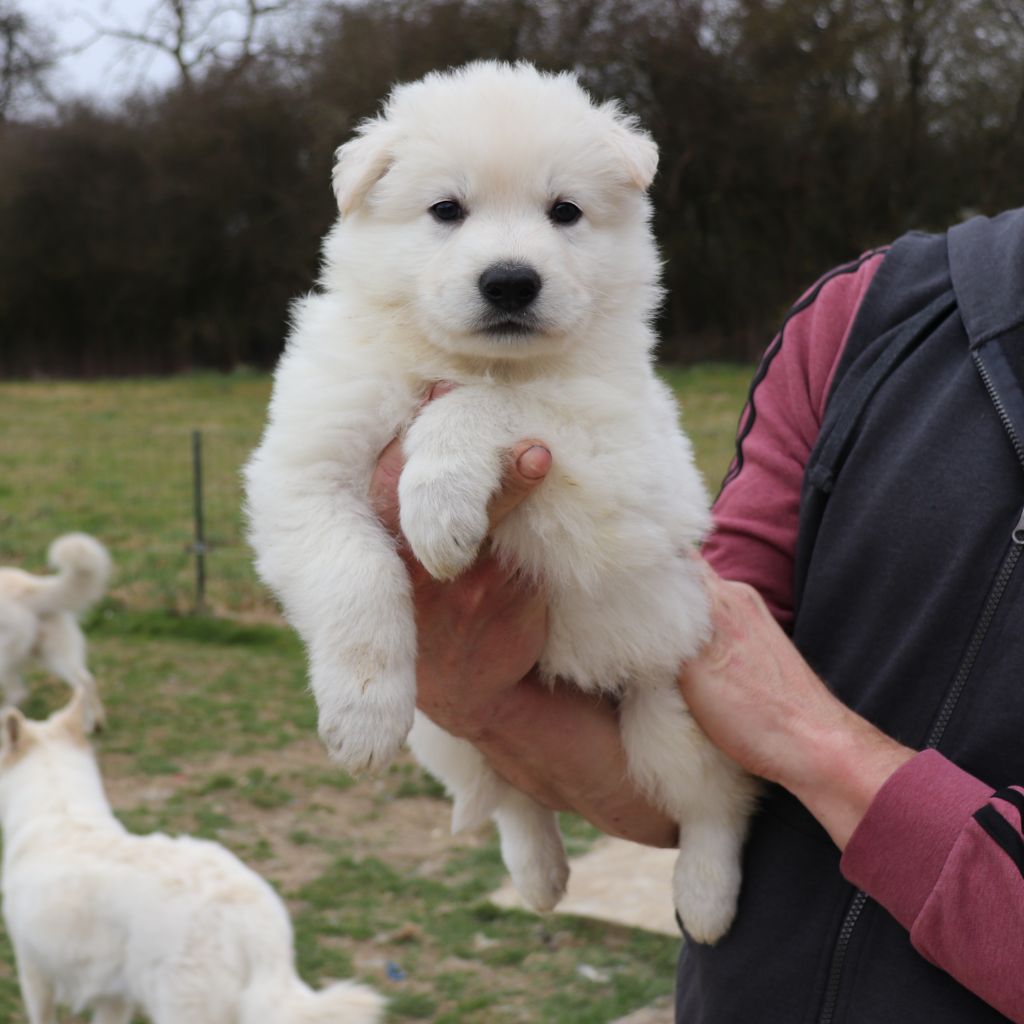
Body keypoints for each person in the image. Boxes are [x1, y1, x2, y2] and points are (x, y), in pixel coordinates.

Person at [370, 208, 1024, 1023]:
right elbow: (688, 690)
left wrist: (817, 746)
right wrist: (478, 697)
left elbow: (754, 709)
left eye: (564, 210)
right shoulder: (871, 311)